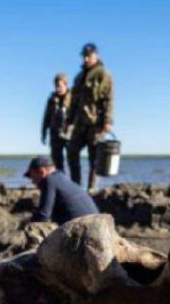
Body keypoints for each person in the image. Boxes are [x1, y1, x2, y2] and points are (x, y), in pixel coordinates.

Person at [65, 43, 114, 193]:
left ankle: (92, 188)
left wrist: (107, 120)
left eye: (89, 56)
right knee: (71, 151)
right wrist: (69, 120)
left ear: (96, 56)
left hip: (96, 123)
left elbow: (108, 99)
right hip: (80, 123)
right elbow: (73, 101)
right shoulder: (79, 77)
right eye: (84, 56)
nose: (86, 59)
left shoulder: (103, 74)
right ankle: (76, 186)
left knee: (94, 157)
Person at [24, 155, 99, 225]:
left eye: (32, 177)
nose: (32, 182)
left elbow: (43, 215)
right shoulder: (61, 178)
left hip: (82, 230)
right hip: (97, 225)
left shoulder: (49, 181)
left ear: (41, 171)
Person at [41, 73, 71, 172]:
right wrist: (43, 133)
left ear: (66, 85)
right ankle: (60, 183)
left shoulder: (73, 98)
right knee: (57, 161)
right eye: (56, 86)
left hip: (69, 133)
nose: (58, 88)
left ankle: (75, 185)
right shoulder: (51, 100)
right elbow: (46, 117)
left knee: (72, 160)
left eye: (60, 86)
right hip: (55, 133)